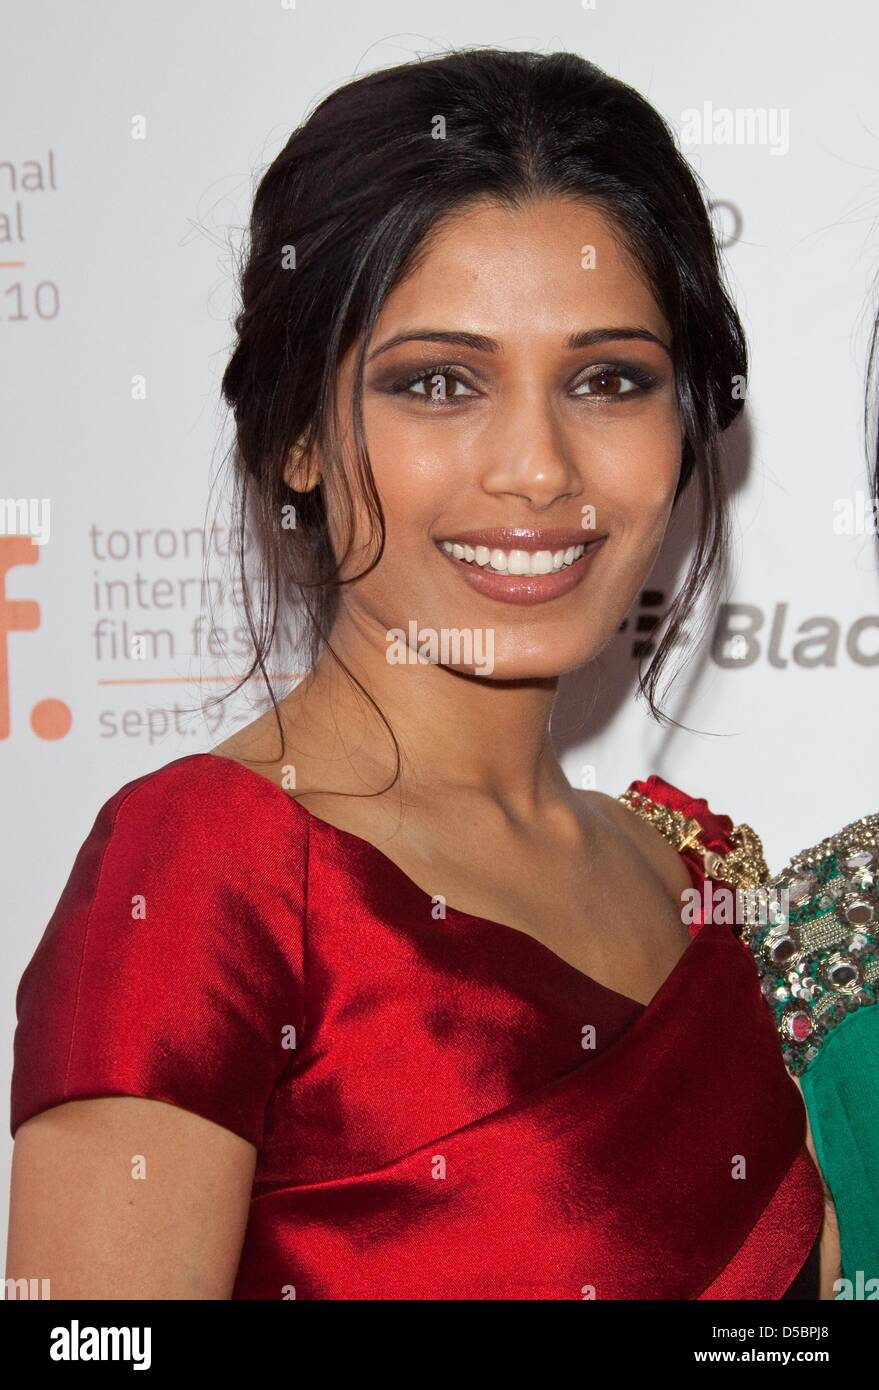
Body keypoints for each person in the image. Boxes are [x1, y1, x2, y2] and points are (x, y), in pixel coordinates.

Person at [6, 47, 837, 1299]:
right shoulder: (203, 877)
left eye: (608, 379)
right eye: (439, 383)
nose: (537, 468)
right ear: (295, 433)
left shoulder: (703, 881)